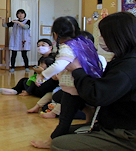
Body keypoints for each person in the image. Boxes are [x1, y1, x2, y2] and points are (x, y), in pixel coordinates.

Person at [50, 12, 136, 151]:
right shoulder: (123, 59)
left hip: (125, 132)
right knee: (65, 132)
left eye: (103, 35)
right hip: (111, 123)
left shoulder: (128, 67)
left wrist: (77, 70)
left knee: (59, 144)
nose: (101, 39)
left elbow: (97, 95)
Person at [31, 16, 103, 149]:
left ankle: (50, 141)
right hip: (85, 85)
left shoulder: (66, 48)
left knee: (65, 118)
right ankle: (89, 114)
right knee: (76, 103)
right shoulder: (83, 43)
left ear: (56, 34)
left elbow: (58, 65)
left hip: (73, 88)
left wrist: (43, 75)